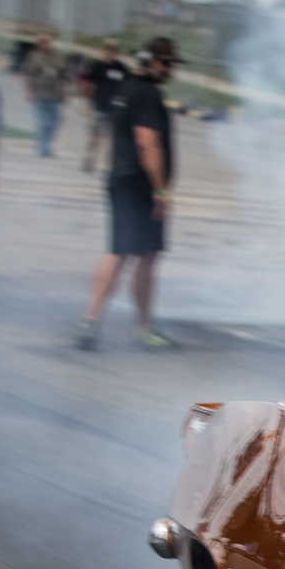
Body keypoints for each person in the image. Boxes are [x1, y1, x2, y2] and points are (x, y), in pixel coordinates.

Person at [76, 37, 182, 350]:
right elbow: (147, 143)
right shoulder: (148, 93)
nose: (170, 70)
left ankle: (90, 321)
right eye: (167, 63)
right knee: (146, 256)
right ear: (152, 61)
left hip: (120, 178)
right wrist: (161, 190)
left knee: (118, 252)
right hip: (141, 185)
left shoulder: (124, 88)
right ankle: (144, 329)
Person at [80, 38, 126, 174]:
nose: (110, 52)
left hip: (115, 109)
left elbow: (125, 86)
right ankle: (89, 159)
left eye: (113, 50)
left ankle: (108, 166)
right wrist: (86, 104)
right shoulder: (97, 65)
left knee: (111, 138)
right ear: (104, 50)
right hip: (99, 107)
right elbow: (90, 85)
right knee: (94, 136)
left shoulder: (121, 67)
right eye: (108, 49)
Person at [21, 30, 63, 157]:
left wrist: (65, 93)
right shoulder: (33, 56)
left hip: (55, 94)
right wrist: (28, 91)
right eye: (42, 42)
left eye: (47, 41)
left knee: (55, 121)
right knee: (44, 122)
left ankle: (44, 144)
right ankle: (43, 149)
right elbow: (26, 75)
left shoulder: (56, 56)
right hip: (39, 93)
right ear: (38, 43)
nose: (45, 44)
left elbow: (62, 75)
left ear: (50, 43)